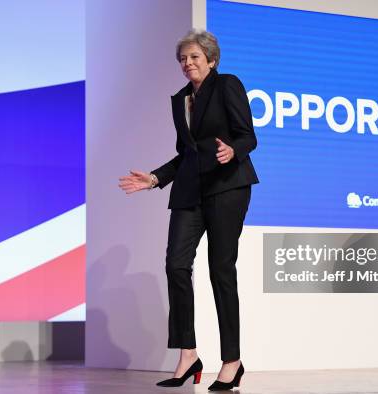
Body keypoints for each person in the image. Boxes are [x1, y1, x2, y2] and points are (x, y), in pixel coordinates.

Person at [118, 29, 258, 391]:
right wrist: (154, 178)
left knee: (220, 270)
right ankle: (188, 354)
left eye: (194, 57)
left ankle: (232, 361)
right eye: (183, 58)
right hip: (189, 191)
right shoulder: (181, 99)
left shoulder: (227, 85)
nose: (187, 63)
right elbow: (187, 154)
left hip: (228, 187)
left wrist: (234, 151)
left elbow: (248, 136)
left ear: (210, 59)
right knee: (176, 265)